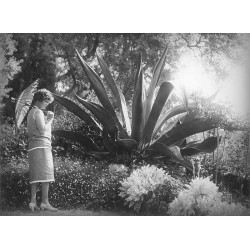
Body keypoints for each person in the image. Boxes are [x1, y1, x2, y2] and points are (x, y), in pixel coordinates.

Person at [27, 88, 58, 212]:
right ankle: (45, 203)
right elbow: (42, 130)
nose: (47, 104)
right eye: (46, 101)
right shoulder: (38, 112)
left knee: (35, 175)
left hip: (33, 146)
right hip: (42, 146)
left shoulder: (31, 113)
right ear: (39, 100)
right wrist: (50, 119)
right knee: (46, 174)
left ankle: (32, 202)